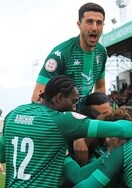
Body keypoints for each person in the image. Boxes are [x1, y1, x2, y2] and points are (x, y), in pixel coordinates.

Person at [0, 75, 132, 188]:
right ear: (59, 97)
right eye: (73, 102)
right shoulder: (63, 121)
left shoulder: (13, 114)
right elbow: (124, 129)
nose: (75, 108)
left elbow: (1, 156)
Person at [32, 2, 107, 169]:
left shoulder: (101, 52)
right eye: (89, 22)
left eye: (99, 22)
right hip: (60, 130)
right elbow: (36, 98)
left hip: (82, 125)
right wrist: (75, 133)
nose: (94, 27)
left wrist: (101, 123)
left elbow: (100, 89)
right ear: (79, 24)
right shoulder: (61, 54)